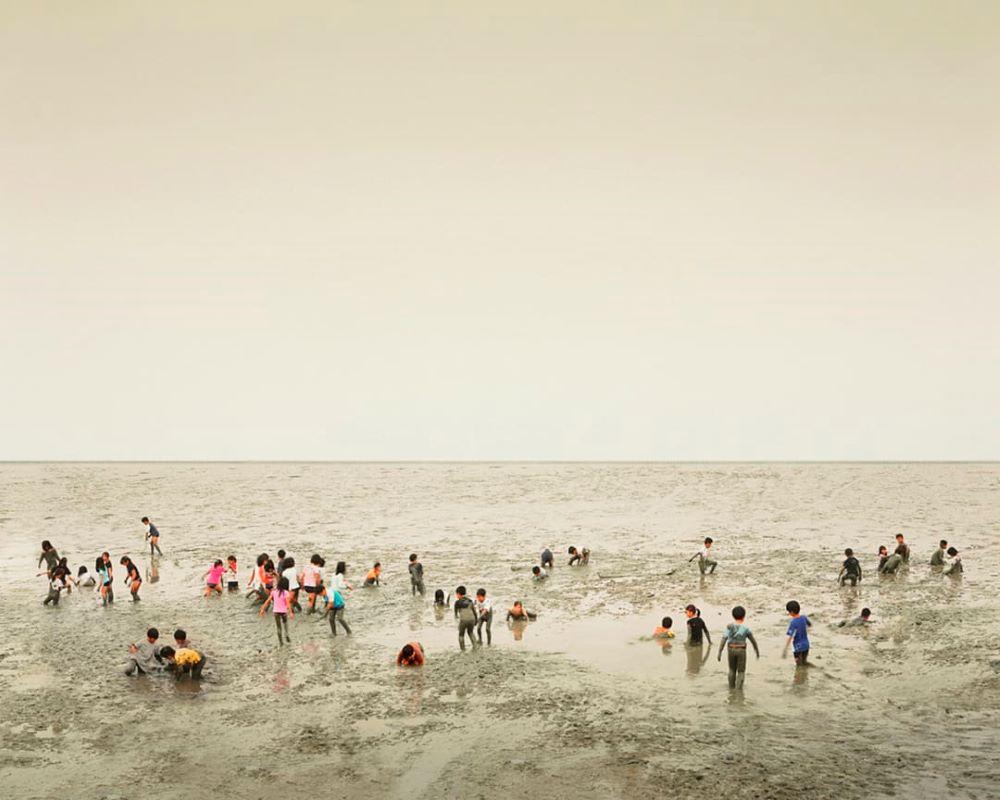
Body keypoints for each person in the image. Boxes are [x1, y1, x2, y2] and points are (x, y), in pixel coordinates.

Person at [717, 605, 760, 689]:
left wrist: (720, 652)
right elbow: (753, 640)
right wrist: (756, 651)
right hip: (741, 650)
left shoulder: (729, 628)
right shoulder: (745, 629)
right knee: (741, 671)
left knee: (731, 670)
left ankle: (731, 688)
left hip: (730, 649)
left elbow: (724, 639)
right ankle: (738, 690)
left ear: (733, 616)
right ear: (743, 616)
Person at [260, 576, 294, 646]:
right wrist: (290, 612)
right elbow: (288, 603)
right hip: (284, 612)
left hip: (276, 612)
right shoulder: (286, 593)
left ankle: (281, 642)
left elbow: (268, 601)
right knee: (285, 625)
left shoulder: (274, 592)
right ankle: (287, 636)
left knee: (278, 628)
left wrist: (262, 609)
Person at [785, 600, 811, 666]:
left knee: (799, 665)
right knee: (804, 661)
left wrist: (786, 648)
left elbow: (790, 636)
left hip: (798, 647)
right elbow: (809, 625)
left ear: (791, 612)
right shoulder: (804, 617)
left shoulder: (793, 623)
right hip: (806, 645)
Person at [453, 585, 478, 650]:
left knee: (461, 635)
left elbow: (456, 615)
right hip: (472, 619)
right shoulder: (470, 601)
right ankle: (475, 647)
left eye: (456, 594)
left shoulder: (457, 603)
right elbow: (474, 612)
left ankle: (463, 650)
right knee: (471, 632)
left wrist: (458, 623)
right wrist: (476, 620)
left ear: (458, 594)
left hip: (463, 620)